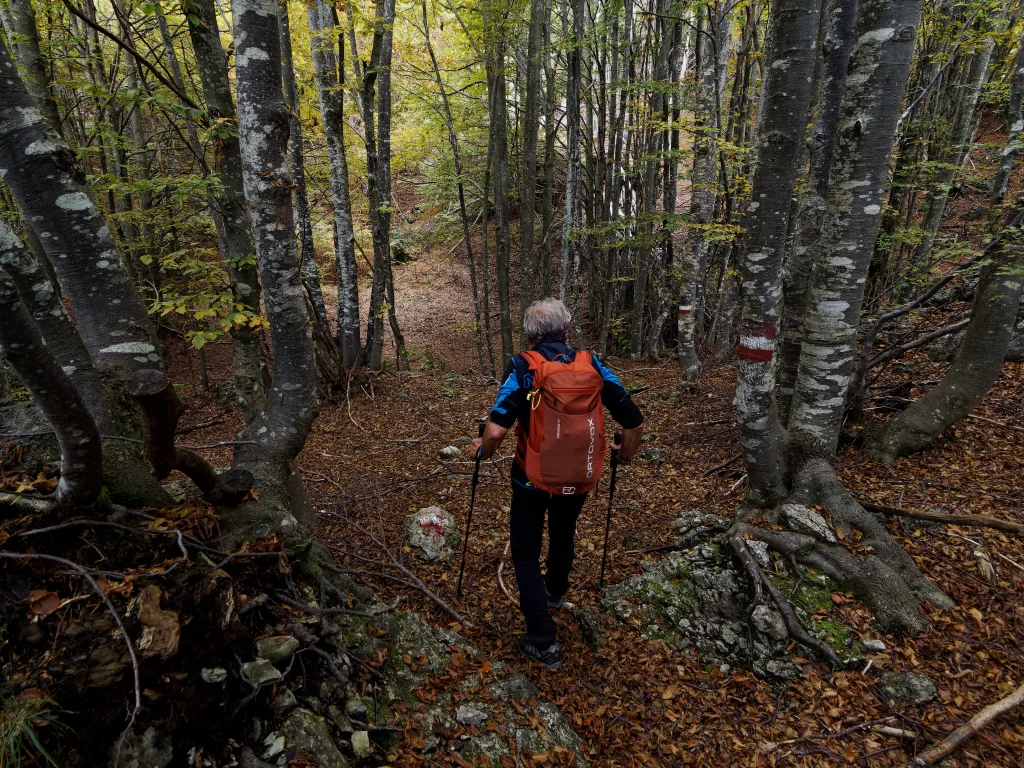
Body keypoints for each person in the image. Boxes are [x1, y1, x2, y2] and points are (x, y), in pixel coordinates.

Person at [469, 298, 643, 671]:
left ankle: (542, 641)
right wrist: (624, 453)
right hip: (579, 476)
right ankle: (555, 593)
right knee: (564, 533)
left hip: (531, 479)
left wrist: (481, 450)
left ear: (530, 335)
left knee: (526, 553)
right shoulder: (591, 363)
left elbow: (497, 429)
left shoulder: (523, 366)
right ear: (566, 329)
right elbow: (633, 420)